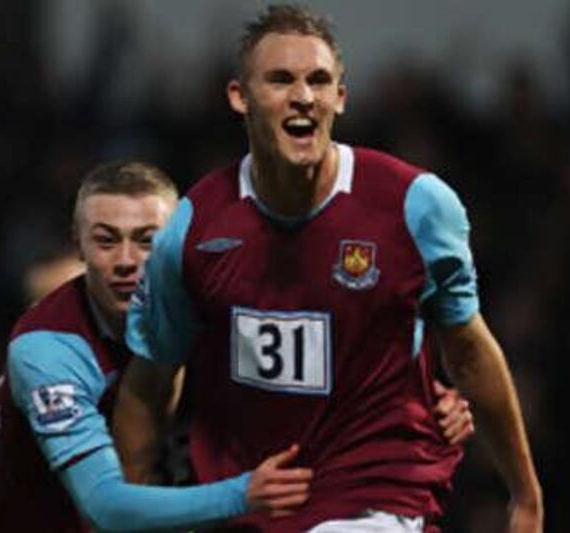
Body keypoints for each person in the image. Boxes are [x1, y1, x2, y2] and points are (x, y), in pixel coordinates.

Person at [117, 4, 542, 533]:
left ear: (340, 97)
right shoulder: (194, 229)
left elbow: (470, 349)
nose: (303, 96)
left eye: (319, 81)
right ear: (239, 97)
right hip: (249, 505)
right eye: (280, 80)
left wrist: (524, 492)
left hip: (375, 494)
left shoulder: (416, 206)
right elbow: (148, 384)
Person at [0, 160, 315, 533]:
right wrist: (243, 493)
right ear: (78, 245)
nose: (126, 261)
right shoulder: (48, 349)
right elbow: (106, 507)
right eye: (106, 241)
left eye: (146, 241)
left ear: (178, 243)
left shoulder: (220, 312)